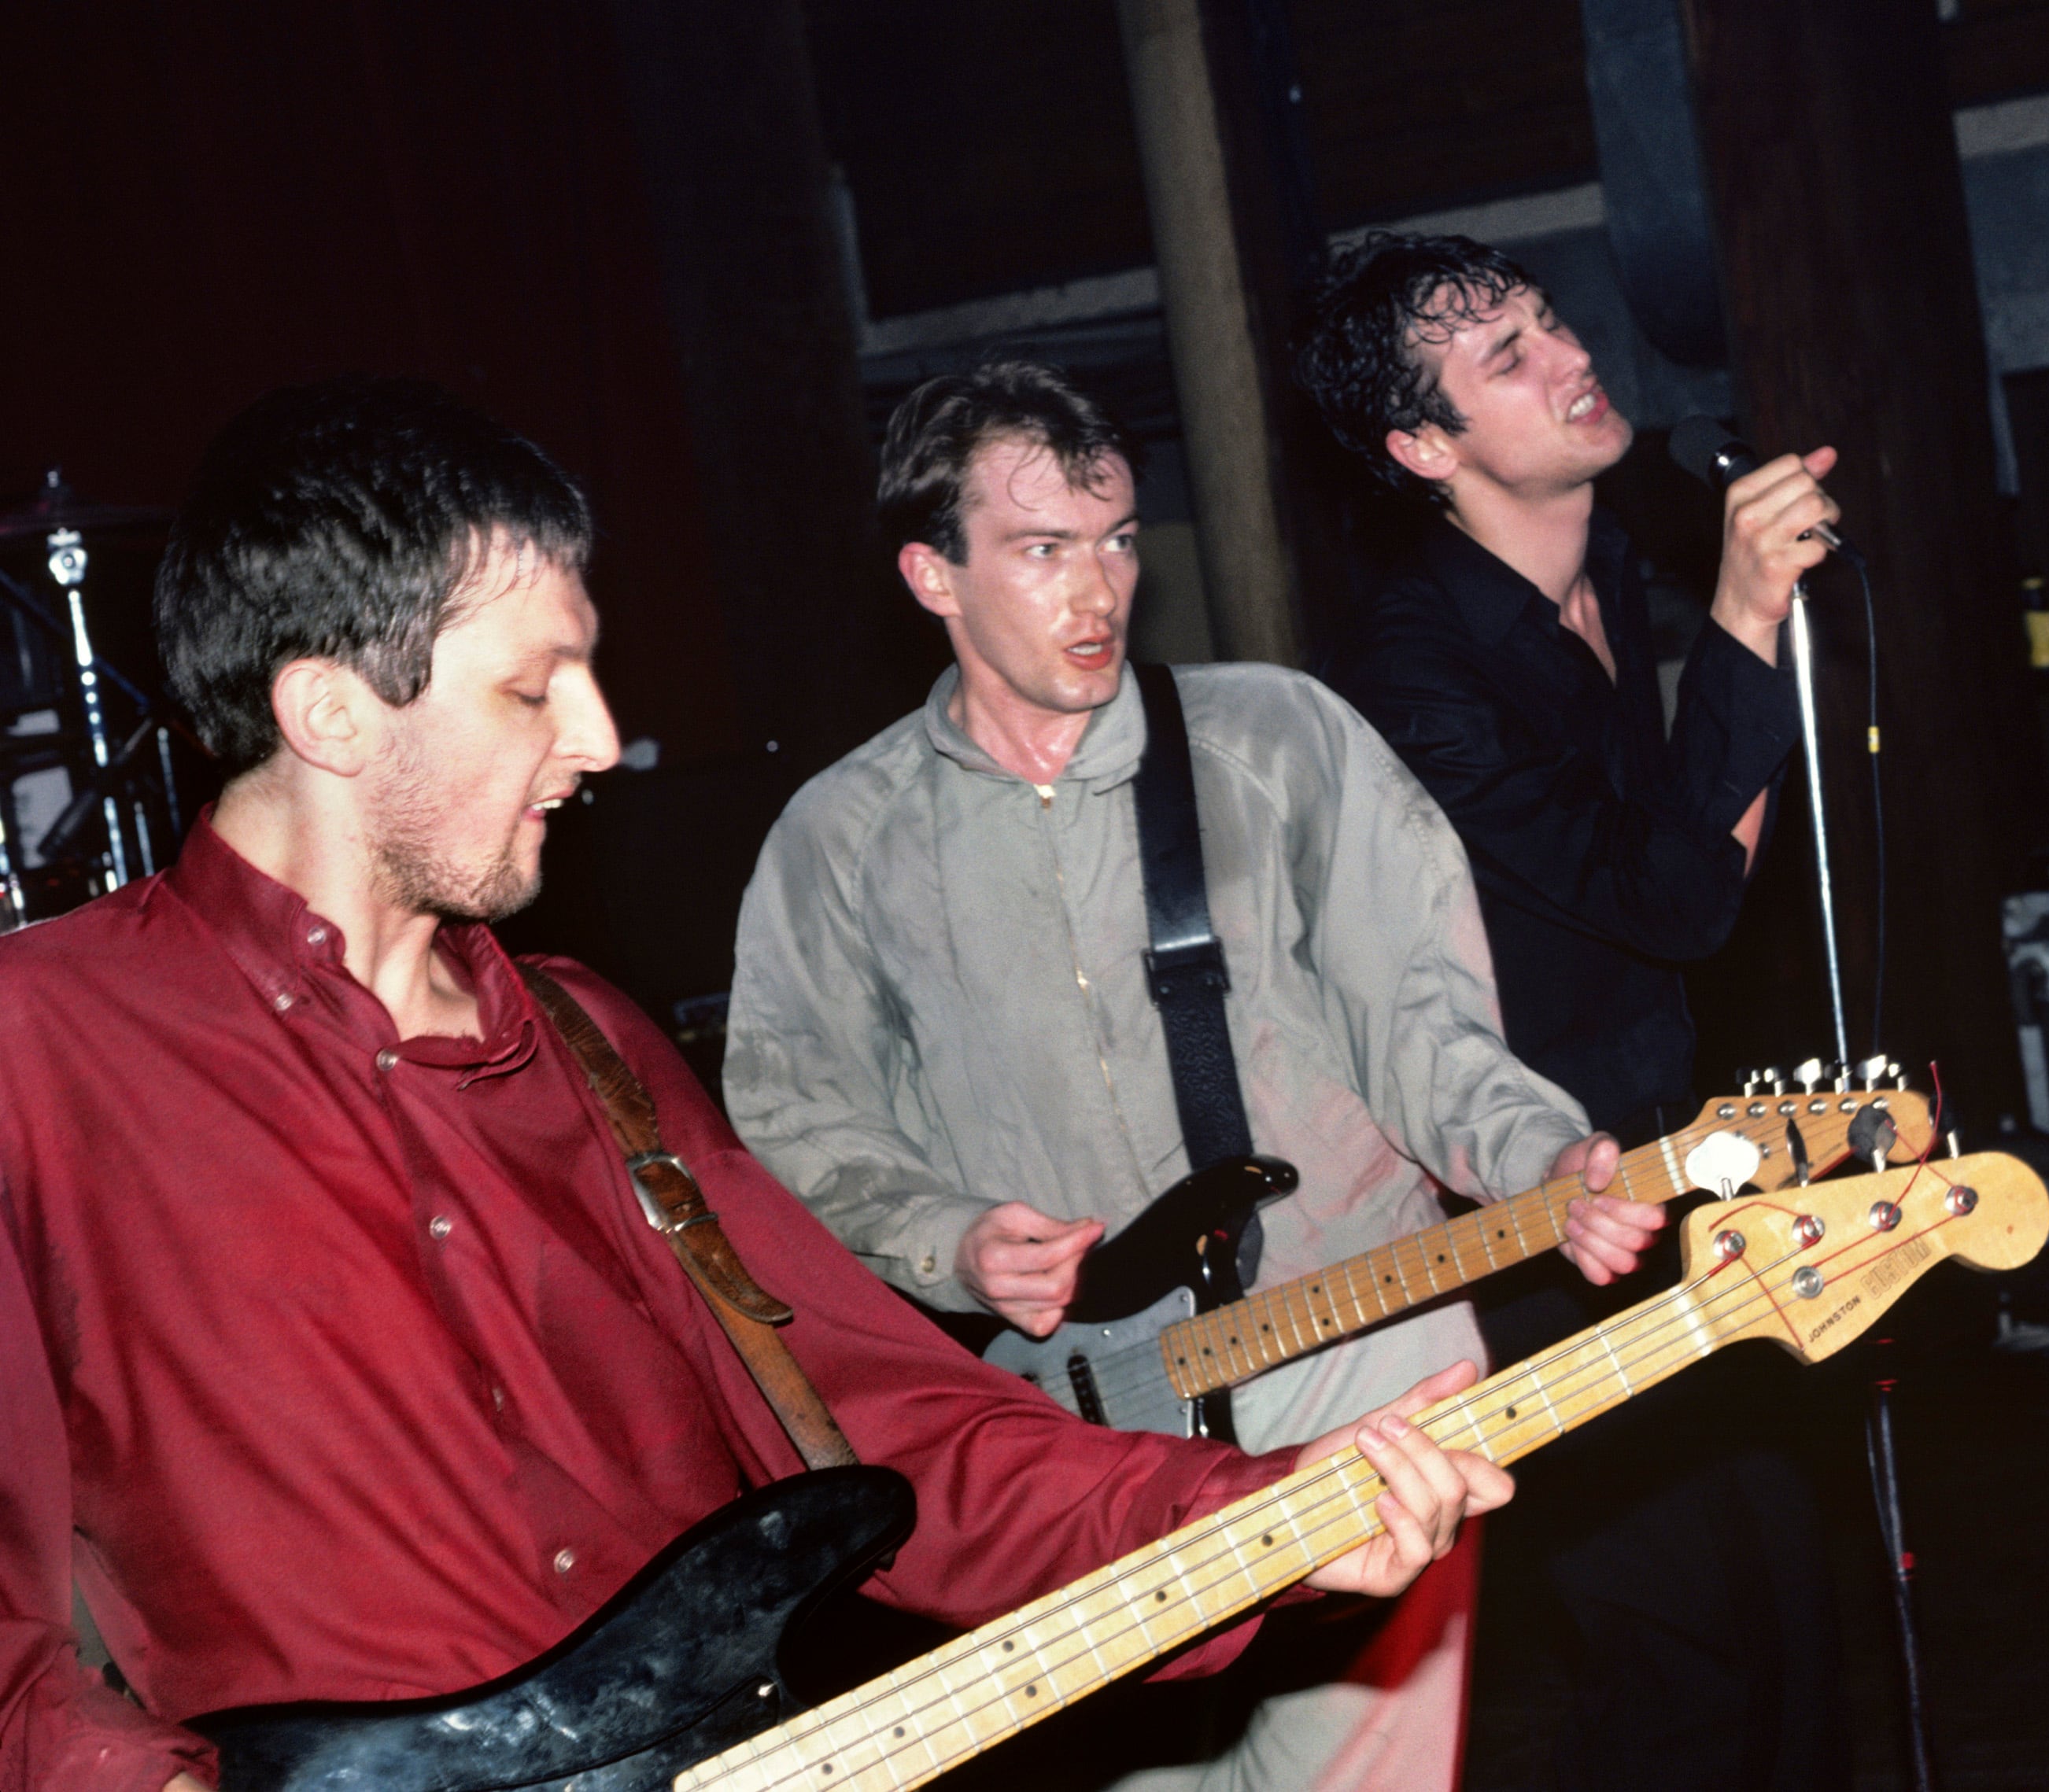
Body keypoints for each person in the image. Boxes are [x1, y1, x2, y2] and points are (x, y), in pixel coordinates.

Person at [0, 378, 1508, 1792]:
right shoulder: (46, 1049)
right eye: (534, 689)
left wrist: (1262, 1521)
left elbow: (893, 1420)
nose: (597, 738)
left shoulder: (595, 1049)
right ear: (329, 713)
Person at [722, 361, 1661, 1792]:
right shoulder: (840, 837)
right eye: (1042, 551)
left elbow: (1422, 1017)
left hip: (1363, 1344)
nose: (1097, 589)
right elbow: (789, 1125)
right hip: (1070, 1414)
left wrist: (1539, 1156)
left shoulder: (1273, 738)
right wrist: (948, 1238)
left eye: (1113, 539)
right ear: (932, 574)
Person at [1294, 232, 1848, 1792]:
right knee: (1677, 1650)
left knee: (1787, 1602)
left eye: (1546, 321)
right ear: (1425, 448)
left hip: (1664, 1155)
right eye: (1504, 360)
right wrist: (1744, 616)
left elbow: (1675, 861)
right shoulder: (1417, 673)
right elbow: (1679, 897)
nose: (1565, 356)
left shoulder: (1598, 560)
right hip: (1526, 1212)